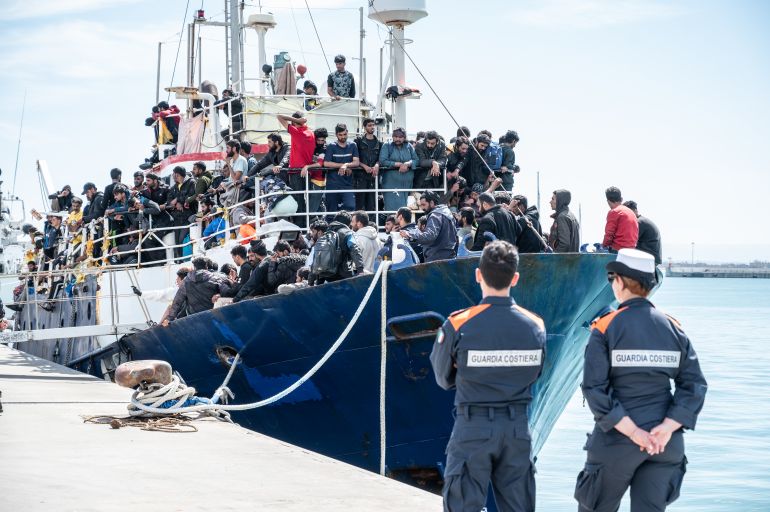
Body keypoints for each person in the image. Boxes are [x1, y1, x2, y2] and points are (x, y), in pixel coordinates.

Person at [576, 248, 707, 512]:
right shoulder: (673, 328)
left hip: (616, 442)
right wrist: (667, 428)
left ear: (620, 282)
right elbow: (694, 385)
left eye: (612, 277)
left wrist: (634, 433)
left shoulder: (604, 328)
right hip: (664, 444)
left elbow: (594, 388)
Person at [431, 241, 545, 512]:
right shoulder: (535, 326)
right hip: (516, 428)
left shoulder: (458, 323)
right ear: (515, 278)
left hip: (473, 427)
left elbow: (442, 377)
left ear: (478, 274)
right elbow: (535, 373)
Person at [163, 257, 233, 324]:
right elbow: (228, 292)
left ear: (194, 267)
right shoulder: (214, 278)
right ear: (206, 267)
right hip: (212, 317)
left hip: (194, 320)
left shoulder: (186, 281)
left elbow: (177, 302)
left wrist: (169, 319)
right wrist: (220, 294)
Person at [277, 112, 316, 227]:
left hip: (296, 171)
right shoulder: (311, 133)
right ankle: (307, 224)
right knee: (305, 199)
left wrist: (297, 120)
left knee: (298, 199)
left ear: (295, 122)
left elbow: (279, 116)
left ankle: (300, 226)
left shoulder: (296, 132)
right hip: (307, 171)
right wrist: (300, 121)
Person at [400, 191, 456, 262]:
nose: (422, 208)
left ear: (432, 203)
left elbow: (429, 236)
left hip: (437, 260)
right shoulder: (448, 213)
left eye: (424, 205)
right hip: (449, 257)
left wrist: (409, 235)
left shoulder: (435, 215)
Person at [379, 127, 418, 212]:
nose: (397, 139)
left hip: (406, 184)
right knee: (392, 211)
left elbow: (416, 160)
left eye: (400, 137)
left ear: (404, 137)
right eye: (395, 136)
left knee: (406, 210)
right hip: (391, 184)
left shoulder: (409, 146)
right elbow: (382, 161)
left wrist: (408, 164)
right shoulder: (387, 146)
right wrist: (398, 164)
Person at [323, 124, 359, 215]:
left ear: (347, 133)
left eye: (344, 134)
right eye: (340, 135)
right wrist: (342, 165)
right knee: (331, 211)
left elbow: (356, 162)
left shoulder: (353, 145)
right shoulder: (331, 146)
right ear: (336, 135)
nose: (343, 137)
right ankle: (332, 227)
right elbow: (326, 163)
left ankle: (341, 219)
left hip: (347, 183)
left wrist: (346, 165)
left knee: (350, 206)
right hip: (332, 184)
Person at [166, 166, 197, 259]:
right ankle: (179, 260)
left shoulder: (191, 182)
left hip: (187, 216)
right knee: (176, 242)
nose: (175, 177)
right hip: (177, 218)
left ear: (182, 175)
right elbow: (169, 201)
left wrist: (178, 200)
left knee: (182, 239)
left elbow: (191, 195)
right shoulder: (173, 188)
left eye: (177, 175)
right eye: (174, 175)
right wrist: (176, 204)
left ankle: (185, 259)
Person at [354, 117, 381, 215]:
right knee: (359, 204)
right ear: (364, 127)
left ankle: (371, 226)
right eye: (370, 125)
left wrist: (377, 165)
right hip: (360, 177)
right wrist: (364, 166)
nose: (372, 127)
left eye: (373, 125)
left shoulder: (379, 143)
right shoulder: (358, 141)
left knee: (372, 205)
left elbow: (380, 158)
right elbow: (354, 157)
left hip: (373, 178)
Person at [624, 200, 662, 265]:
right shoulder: (642, 221)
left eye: (629, 212)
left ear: (636, 210)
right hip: (652, 258)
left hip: (649, 259)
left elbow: (630, 242)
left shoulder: (639, 222)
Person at [603, 186, 639, 253]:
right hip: (632, 250)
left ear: (608, 201)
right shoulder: (630, 212)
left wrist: (603, 246)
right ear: (621, 199)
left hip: (618, 250)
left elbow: (609, 235)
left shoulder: (614, 212)